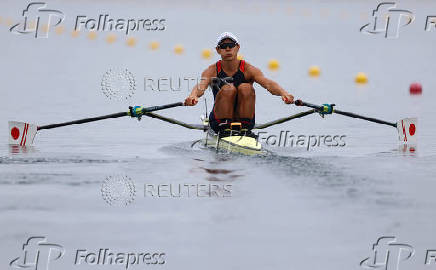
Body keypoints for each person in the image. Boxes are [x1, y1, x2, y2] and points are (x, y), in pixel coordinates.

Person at [184, 32, 294, 135]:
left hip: (245, 121)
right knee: (229, 88)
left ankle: (245, 129)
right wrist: (192, 96)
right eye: (223, 46)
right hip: (219, 122)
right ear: (218, 50)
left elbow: (268, 84)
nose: (228, 48)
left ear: (237, 47)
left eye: (231, 45)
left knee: (246, 87)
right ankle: (225, 128)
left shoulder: (249, 69)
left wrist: (284, 93)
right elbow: (200, 87)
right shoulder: (212, 71)